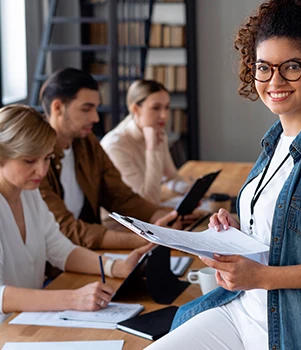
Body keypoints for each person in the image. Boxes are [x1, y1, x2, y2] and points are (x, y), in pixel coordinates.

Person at [146, 0, 301, 349]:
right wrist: (236, 229)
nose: (275, 80)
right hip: (240, 309)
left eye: (291, 67)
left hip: (293, 329)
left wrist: (264, 277)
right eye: (263, 67)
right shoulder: (274, 144)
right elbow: (282, 232)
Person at [0, 104, 153, 323]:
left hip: (25, 322)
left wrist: (116, 267)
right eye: (29, 161)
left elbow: (60, 249)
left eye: (46, 159)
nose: (42, 171)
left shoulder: (28, 194)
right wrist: (72, 298)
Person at [39, 68, 191, 251]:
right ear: (58, 108)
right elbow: (65, 229)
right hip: (61, 262)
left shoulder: (88, 143)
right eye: (87, 109)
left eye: (95, 108)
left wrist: (160, 217)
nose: (95, 118)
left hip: (90, 252)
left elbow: (119, 196)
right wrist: (148, 239)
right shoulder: (37, 159)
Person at [100, 79, 189, 205]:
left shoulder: (157, 132)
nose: (164, 115)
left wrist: (189, 190)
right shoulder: (116, 146)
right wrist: (152, 149)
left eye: (167, 107)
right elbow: (146, 201)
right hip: (124, 222)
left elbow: (170, 176)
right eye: (156, 108)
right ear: (136, 109)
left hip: (150, 213)